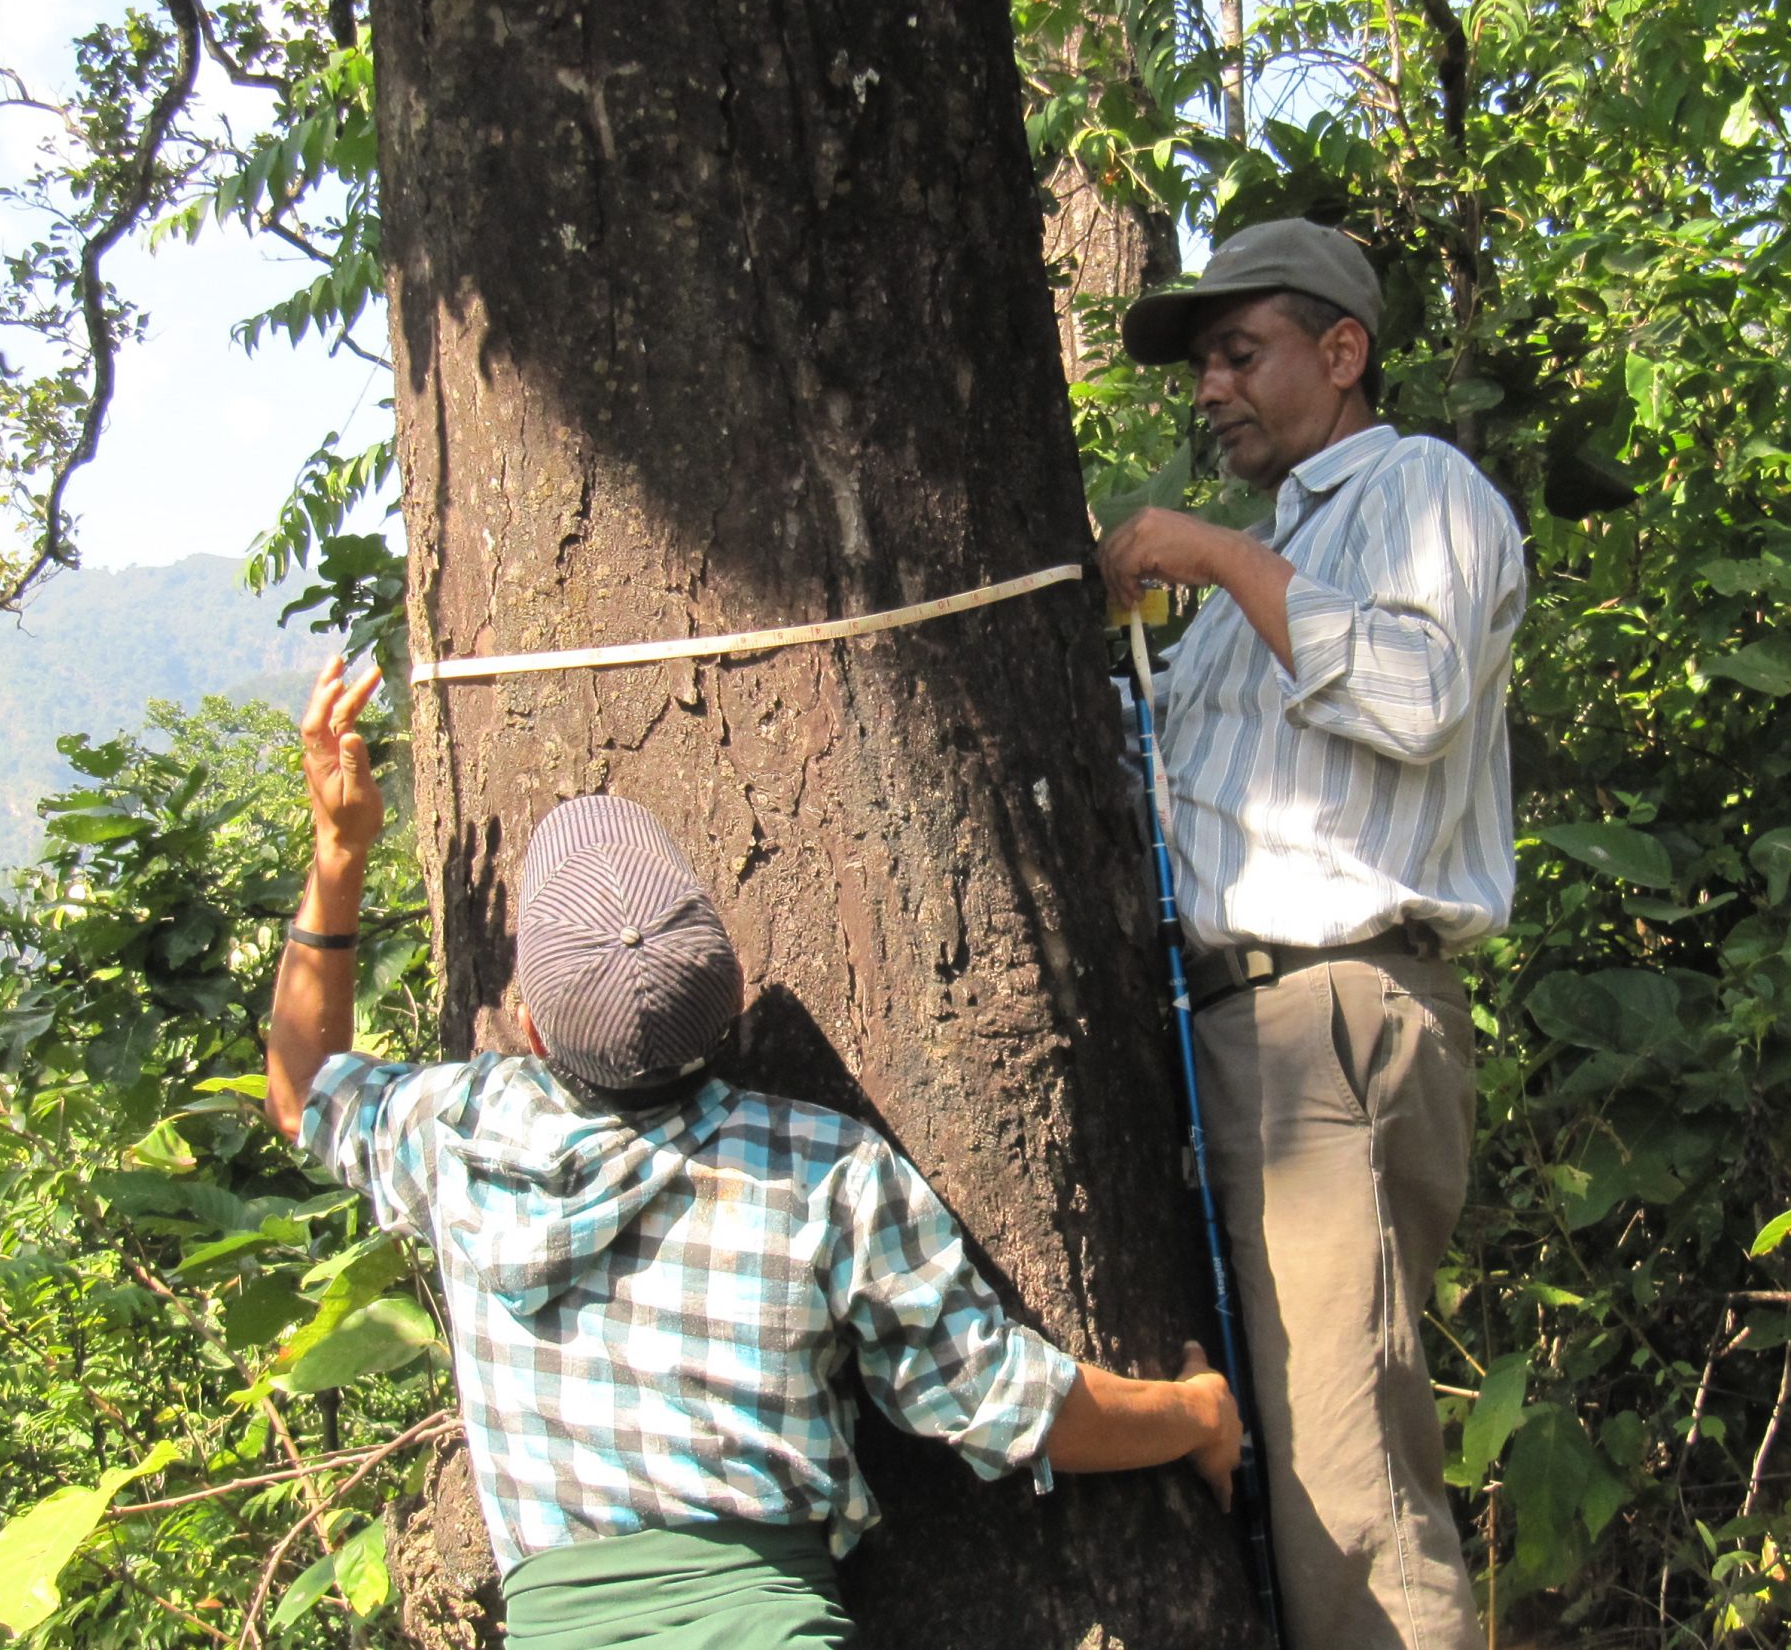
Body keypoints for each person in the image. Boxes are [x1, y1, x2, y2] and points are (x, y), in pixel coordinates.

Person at [264, 655, 1241, 1650]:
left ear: (535, 1028)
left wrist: (339, 852)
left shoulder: (455, 1130)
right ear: (730, 1004)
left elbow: (303, 1093)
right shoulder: (821, 1170)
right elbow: (1004, 1399)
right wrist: (1194, 1412)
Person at [1096, 219, 1527, 1650]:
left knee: (1351, 1478)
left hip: (1334, 1020)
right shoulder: (1252, 580)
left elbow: (1412, 695)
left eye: (1241, 353)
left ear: (1342, 354)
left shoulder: (1423, 489)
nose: (1212, 387)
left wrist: (1213, 557)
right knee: (1270, 1467)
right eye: (1204, 362)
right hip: (1225, 1032)